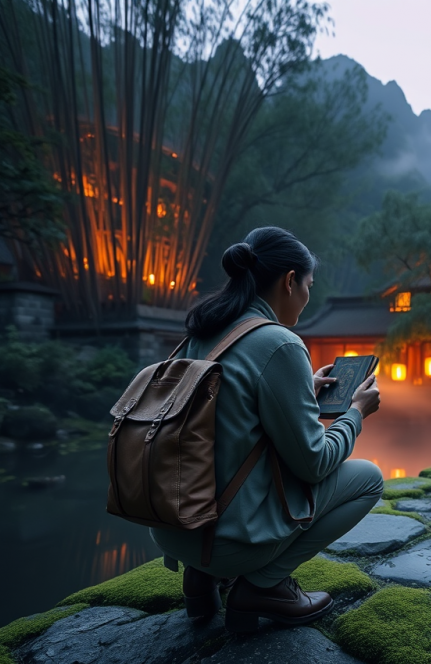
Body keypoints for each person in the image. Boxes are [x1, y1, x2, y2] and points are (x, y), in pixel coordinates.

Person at [150, 226, 382, 633]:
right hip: (225, 542)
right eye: (309, 285)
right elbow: (314, 463)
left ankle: (200, 580)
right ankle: (263, 586)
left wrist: (302, 389)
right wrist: (356, 413)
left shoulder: (203, 330)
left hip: (174, 530)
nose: (307, 297)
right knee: (369, 478)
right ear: (290, 281)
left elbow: (231, 415)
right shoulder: (280, 343)